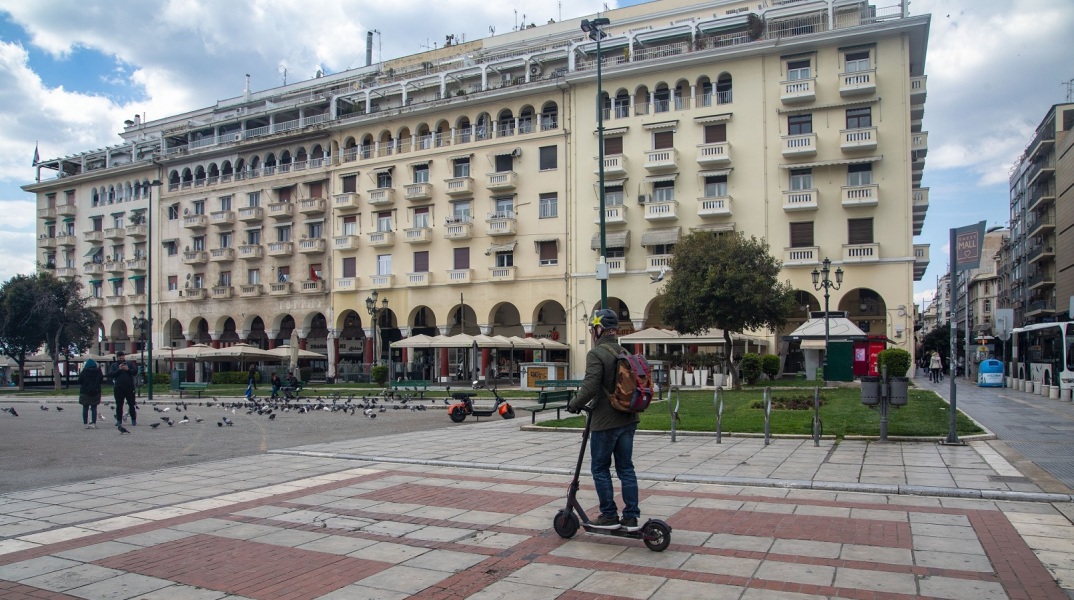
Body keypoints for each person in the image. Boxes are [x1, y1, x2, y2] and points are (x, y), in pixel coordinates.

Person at [567, 308, 641, 531]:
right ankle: (631, 516)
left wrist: (574, 404)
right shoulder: (624, 352)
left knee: (600, 468)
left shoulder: (596, 354)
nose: (592, 332)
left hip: (605, 423)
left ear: (599, 329)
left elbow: (590, 387)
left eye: (593, 328)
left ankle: (609, 514)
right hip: (628, 419)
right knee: (626, 468)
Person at [110, 351, 138, 426]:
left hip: (129, 387)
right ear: (117, 358)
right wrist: (119, 369)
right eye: (119, 358)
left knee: (131, 404)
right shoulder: (114, 365)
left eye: (122, 358)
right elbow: (111, 374)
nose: (121, 359)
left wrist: (127, 369)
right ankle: (119, 420)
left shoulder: (129, 364)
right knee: (119, 405)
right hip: (118, 388)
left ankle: (133, 419)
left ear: (124, 357)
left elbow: (135, 372)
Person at [78, 359, 104, 429]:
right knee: (94, 408)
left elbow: (79, 381)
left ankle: (85, 423)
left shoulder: (84, 371)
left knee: (85, 408)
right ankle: (94, 423)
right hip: (96, 391)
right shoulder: (98, 371)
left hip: (85, 391)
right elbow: (101, 381)